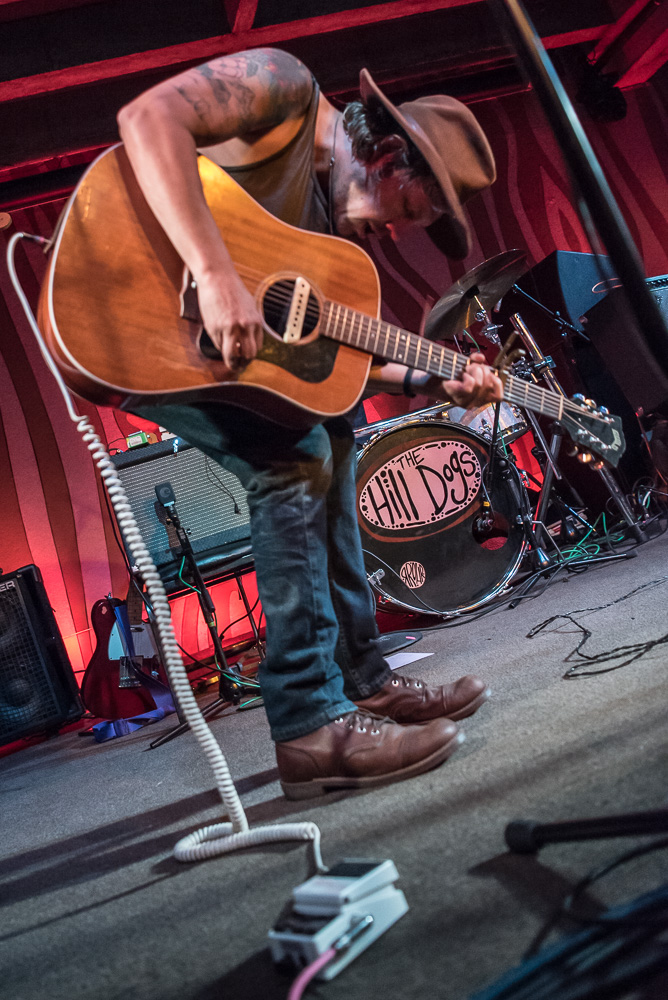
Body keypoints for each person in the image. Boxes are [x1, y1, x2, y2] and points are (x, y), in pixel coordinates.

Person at [117, 47, 504, 799]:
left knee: (331, 422)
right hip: (135, 306)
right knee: (291, 458)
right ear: (390, 156)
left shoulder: (334, 238)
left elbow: (344, 364)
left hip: (209, 344)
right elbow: (147, 116)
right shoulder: (286, 93)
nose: (397, 232)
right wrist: (217, 271)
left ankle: (364, 680)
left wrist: (437, 379)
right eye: (412, 211)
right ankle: (307, 724)